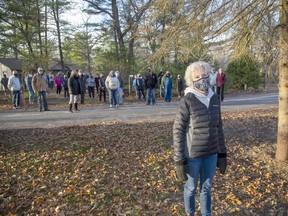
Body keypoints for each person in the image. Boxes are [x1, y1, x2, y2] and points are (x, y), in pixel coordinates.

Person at [173, 61, 227, 216]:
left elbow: (219, 127)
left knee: (207, 189)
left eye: (204, 75)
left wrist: (222, 153)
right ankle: (190, 213)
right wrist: (179, 159)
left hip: (211, 154)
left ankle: (206, 214)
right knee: (190, 188)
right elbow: (178, 130)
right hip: (193, 156)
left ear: (209, 75)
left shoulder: (215, 98)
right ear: (191, 79)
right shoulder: (187, 100)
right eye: (197, 76)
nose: (201, 79)